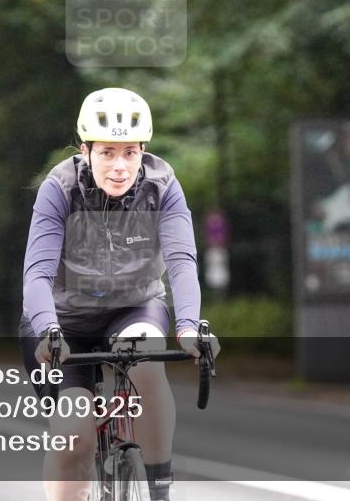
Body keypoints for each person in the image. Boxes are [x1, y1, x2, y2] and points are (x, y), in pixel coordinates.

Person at [20, 87, 220, 501]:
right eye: (107, 152)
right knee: (74, 436)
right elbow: (37, 274)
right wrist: (47, 330)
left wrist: (187, 326)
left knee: (147, 359)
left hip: (133, 307)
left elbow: (182, 261)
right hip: (62, 324)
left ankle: (160, 489)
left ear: (143, 150)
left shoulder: (163, 186)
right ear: (85, 150)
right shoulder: (59, 188)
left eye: (130, 152)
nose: (119, 166)